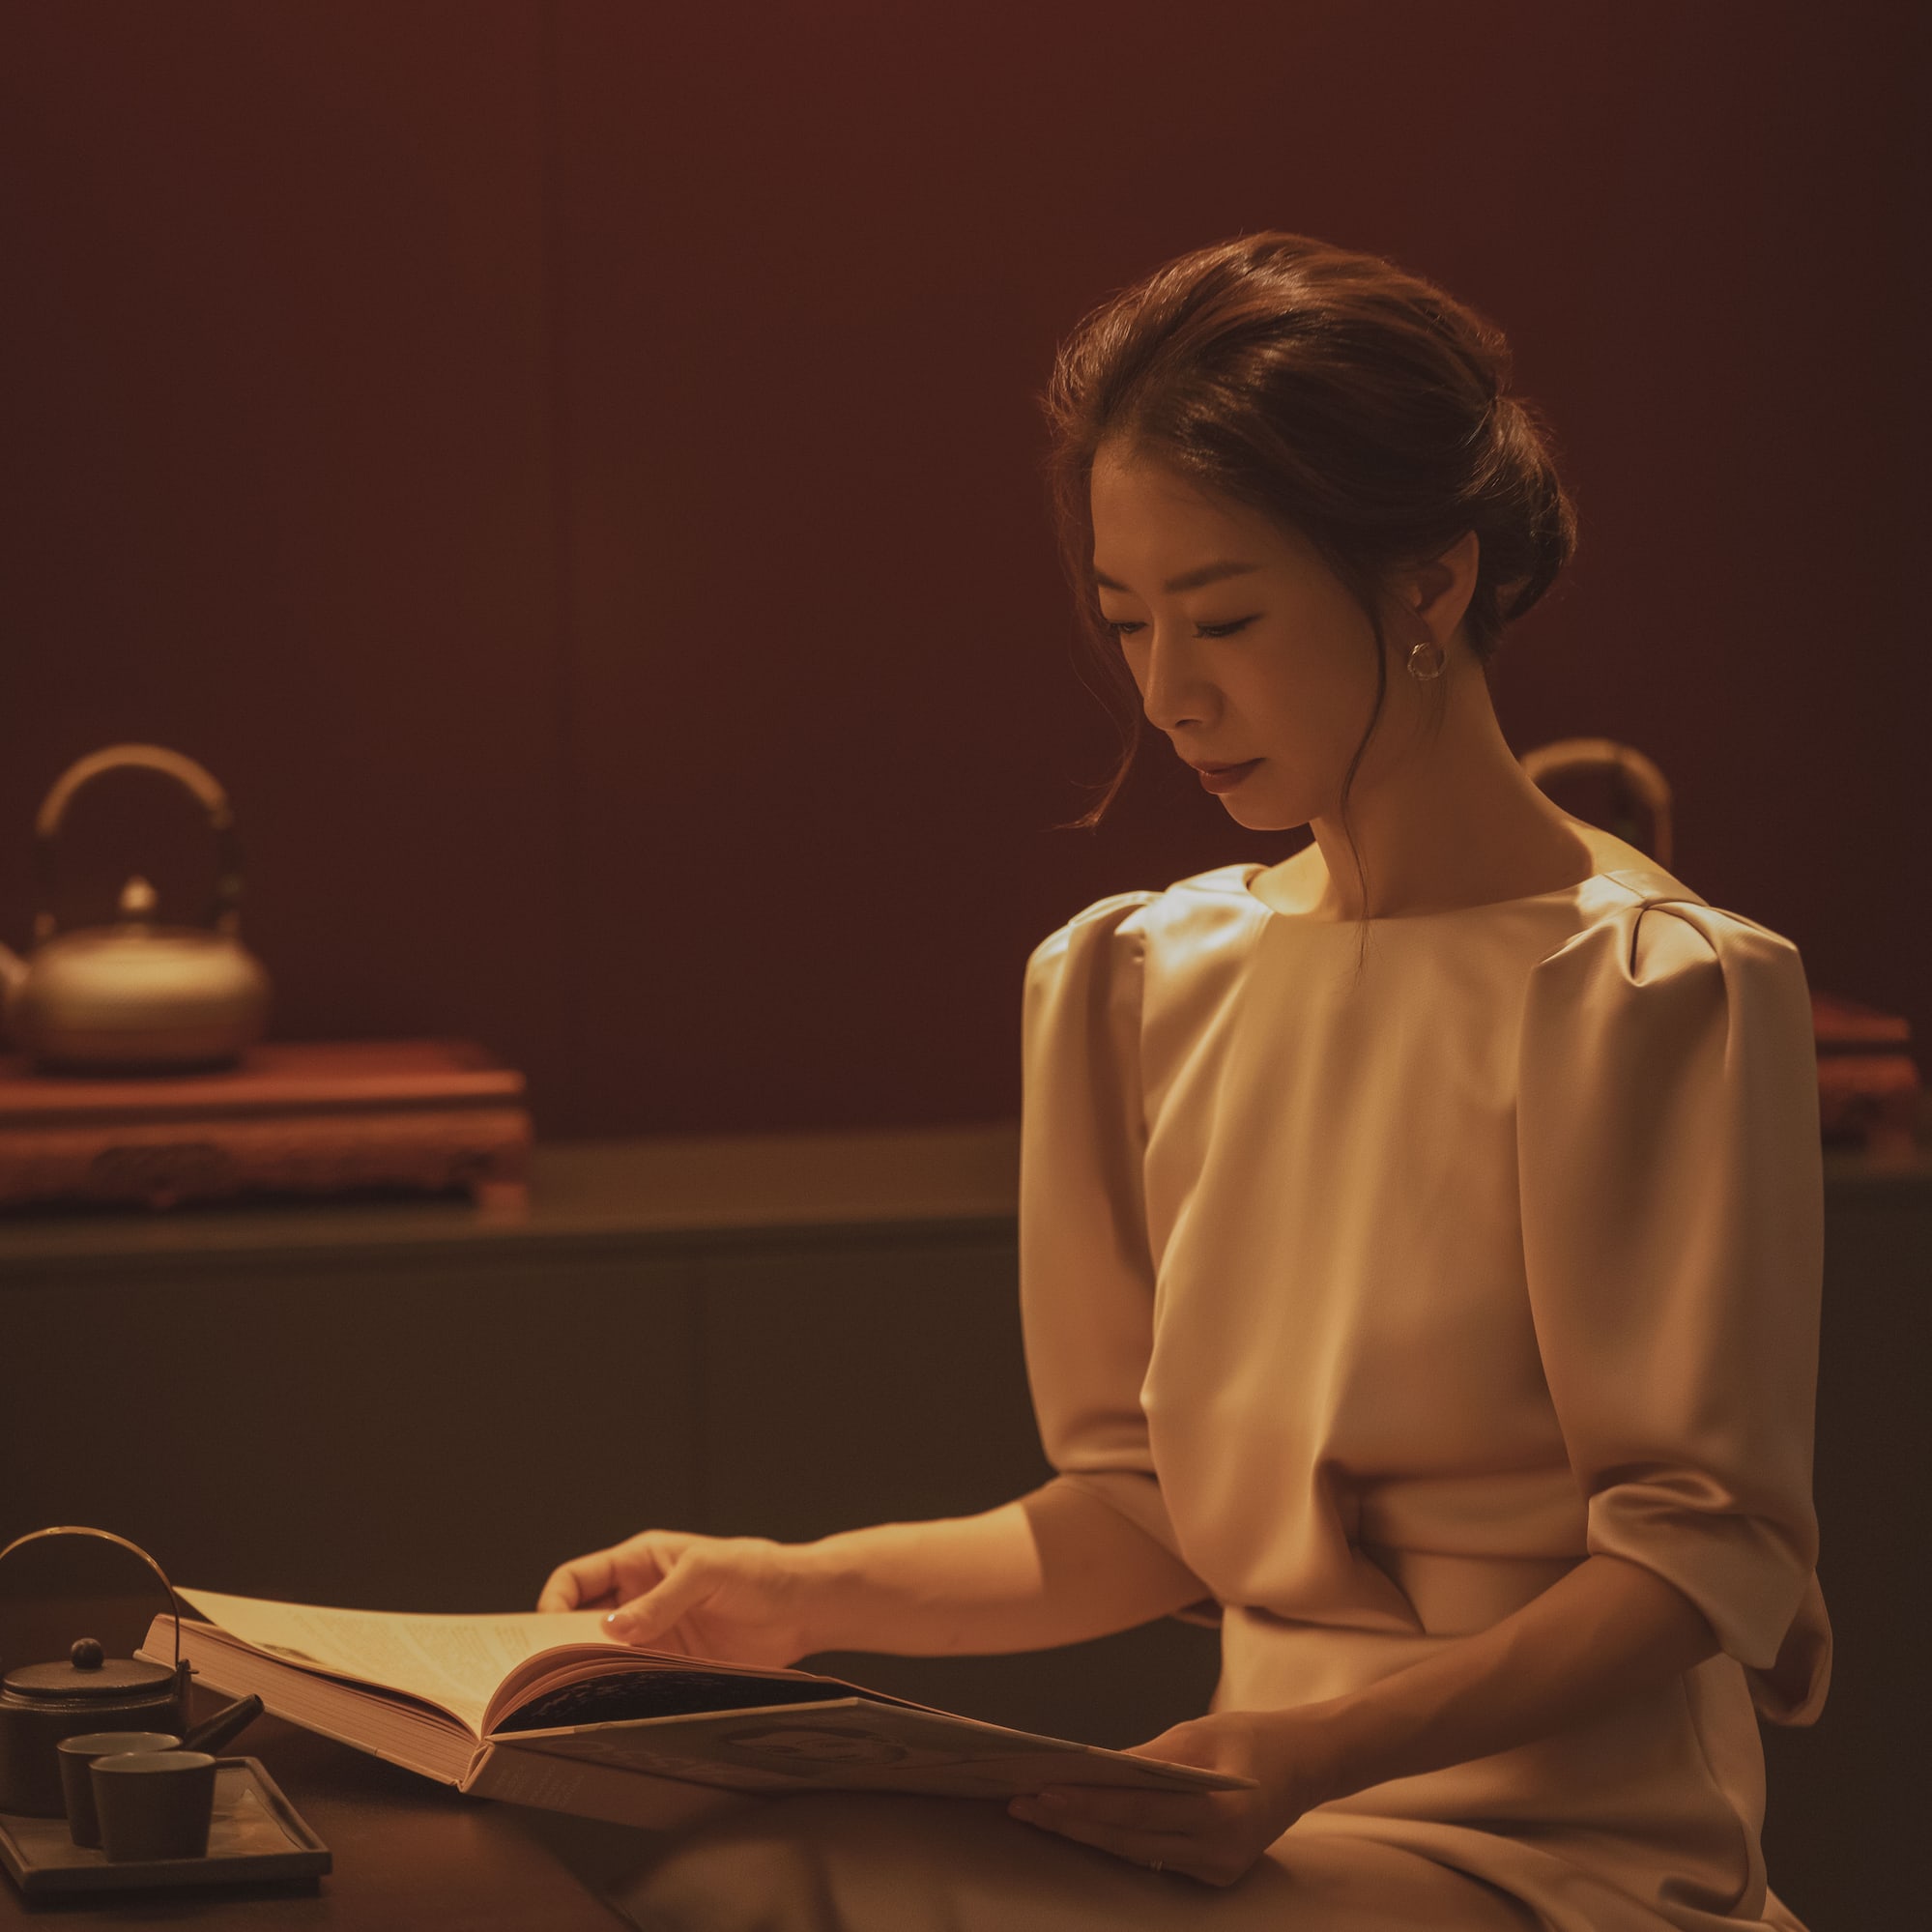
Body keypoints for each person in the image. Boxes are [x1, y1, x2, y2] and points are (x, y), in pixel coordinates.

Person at [536, 233, 1829, 1930]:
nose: (1167, 694)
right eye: (1126, 620)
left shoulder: (1646, 988)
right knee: (728, 1881)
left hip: (1550, 1850)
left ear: (1433, 585)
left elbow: (1690, 1565)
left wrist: (1306, 1755)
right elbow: (1139, 1519)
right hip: (1244, 1807)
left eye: (1223, 616)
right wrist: (783, 1595)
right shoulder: (1139, 980)